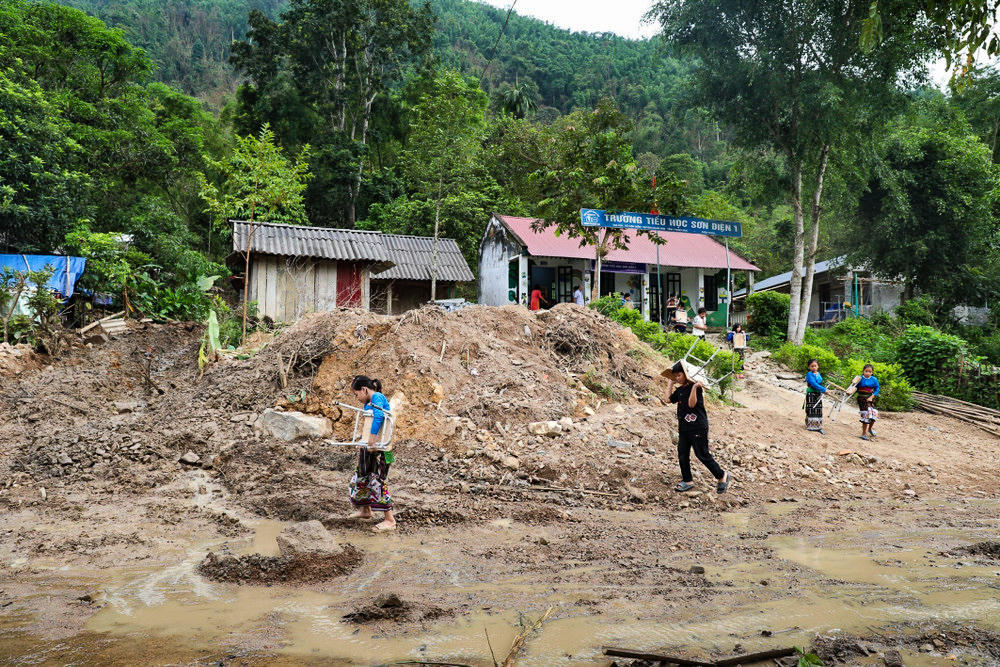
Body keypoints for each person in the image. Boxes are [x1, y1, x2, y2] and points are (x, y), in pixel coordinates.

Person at [666, 361, 731, 494]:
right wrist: (670, 384)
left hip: (698, 427)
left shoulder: (696, 388)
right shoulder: (680, 391)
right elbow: (667, 399)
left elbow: (691, 404)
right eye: (675, 376)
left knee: (701, 454)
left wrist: (695, 388)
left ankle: (721, 476)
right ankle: (687, 480)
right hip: (684, 428)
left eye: (679, 376)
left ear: (686, 375)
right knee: (682, 454)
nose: (677, 378)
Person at [347, 375, 396, 532]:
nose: (357, 398)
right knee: (362, 475)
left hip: (381, 449)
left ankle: (390, 520)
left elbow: (379, 417)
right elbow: (370, 419)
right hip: (370, 447)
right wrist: (364, 441)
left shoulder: (377, 397)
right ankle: (365, 510)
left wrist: (372, 440)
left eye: (357, 395)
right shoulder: (370, 402)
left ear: (364, 389)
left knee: (377, 480)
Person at [856, 364, 880, 440]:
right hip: (861, 398)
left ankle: (870, 429)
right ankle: (863, 433)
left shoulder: (874, 379)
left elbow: (877, 389)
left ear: (872, 372)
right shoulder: (859, 379)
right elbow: (854, 386)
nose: (868, 373)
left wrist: (872, 397)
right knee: (866, 414)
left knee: (874, 413)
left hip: (870, 398)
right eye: (866, 371)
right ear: (863, 371)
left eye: (870, 371)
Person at [805, 358, 827, 434]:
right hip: (811, 393)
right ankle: (810, 426)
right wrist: (824, 390)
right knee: (811, 408)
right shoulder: (809, 374)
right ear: (809, 367)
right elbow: (814, 384)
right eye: (812, 366)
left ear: (818, 366)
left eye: (815, 366)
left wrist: (822, 390)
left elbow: (819, 382)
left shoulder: (818, 374)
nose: (814, 367)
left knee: (818, 409)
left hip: (818, 394)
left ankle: (818, 426)